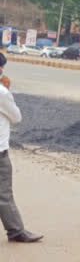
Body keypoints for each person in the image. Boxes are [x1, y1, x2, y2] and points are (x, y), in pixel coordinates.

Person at [0, 53, 43, 243]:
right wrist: (6, 89)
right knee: (4, 194)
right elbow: (16, 117)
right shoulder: (1, 93)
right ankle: (16, 231)